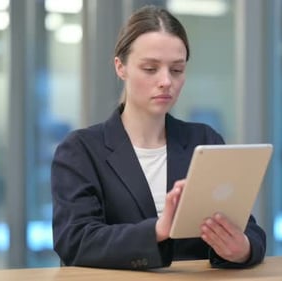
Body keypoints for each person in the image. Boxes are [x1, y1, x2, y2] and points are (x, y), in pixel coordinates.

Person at [51, 5, 266, 270]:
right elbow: (75, 241)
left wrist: (243, 248)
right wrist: (157, 230)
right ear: (121, 67)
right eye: (151, 69)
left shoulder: (204, 140)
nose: (166, 81)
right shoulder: (81, 150)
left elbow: (248, 228)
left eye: (176, 70)